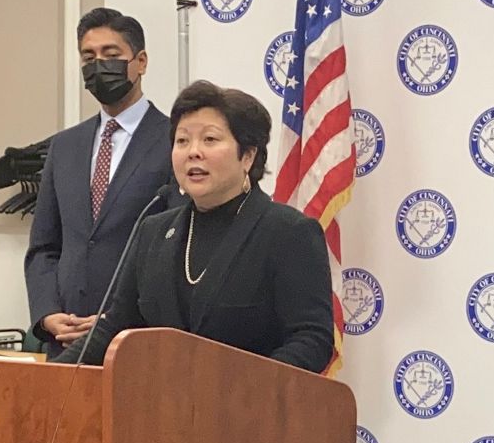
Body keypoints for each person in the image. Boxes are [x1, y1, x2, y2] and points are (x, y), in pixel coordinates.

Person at [56, 80, 334, 373]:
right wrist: (52, 376)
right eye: (182, 140)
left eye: (210, 140)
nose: (193, 152)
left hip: (250, 412)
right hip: (160, 410)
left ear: (248, 156)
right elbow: (114, 326)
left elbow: (311, 339)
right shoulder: (153, 231)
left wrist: (247, 392)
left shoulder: (288, 233)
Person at [24, 7, 175, 359]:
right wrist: (46, 316)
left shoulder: (175, 142)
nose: (98, 65)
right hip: (63, 342)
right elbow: (44, 246)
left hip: (135, 343)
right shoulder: (64, 146)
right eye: (88, 57)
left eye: (111, 55)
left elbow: (172, 250)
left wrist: (116, 318)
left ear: (140, 62)